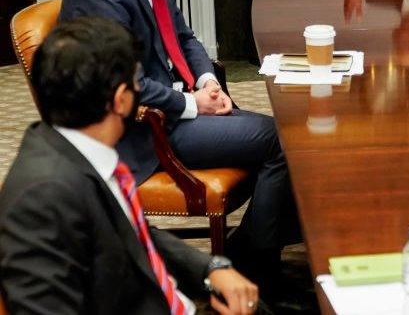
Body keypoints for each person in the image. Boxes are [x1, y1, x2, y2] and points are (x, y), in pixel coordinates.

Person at [59, 0, 301, 291]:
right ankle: (250, 262)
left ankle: (256, 249)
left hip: (174, 102)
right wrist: (192, 103)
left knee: (294, 136)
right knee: (281, 140)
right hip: (140, 129)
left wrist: (207, 81)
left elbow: (184, 37)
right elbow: (123, 84)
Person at [0, 17, 260, 314]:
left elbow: (133, 234)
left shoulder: (84, 152)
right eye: (138, 82)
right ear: (122, 100)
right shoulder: (41, 200)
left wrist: (210, 267)